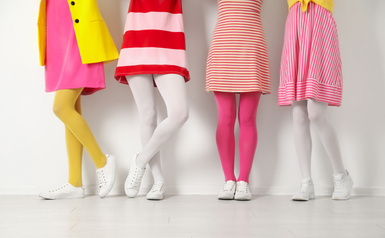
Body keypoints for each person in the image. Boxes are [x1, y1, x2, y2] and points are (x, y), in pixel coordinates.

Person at [38, 0, 118, 199]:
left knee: (61, 108)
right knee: (70, 110)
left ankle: (102, 161)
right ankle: (75, 183)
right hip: (58, 35)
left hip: (78, 35)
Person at [115, 0, 190, 200]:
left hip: (169, 44)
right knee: (148, 115)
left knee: (180, 113)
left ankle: (140, 161)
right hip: (137, 40)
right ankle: (158, 182)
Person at [278, 0, 353, 201]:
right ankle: (306, 182)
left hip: (320, 24)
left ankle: (341, 176)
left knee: (316, 113)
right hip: (295, 23)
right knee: (299, 113)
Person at [206, 0, 271, 200]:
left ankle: (243, 181)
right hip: (223, 49)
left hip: (252, 50)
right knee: (225, 117)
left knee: (248, 119)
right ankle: (228, 180)